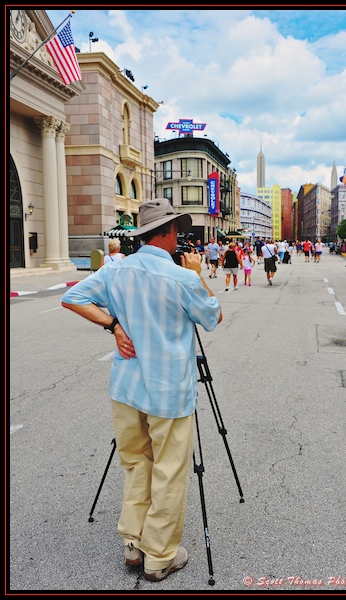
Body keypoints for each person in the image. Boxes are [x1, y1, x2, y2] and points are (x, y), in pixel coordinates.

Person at [61, 199, 222, 583]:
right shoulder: (181, 277)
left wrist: (114, 325)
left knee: (136, 463)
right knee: (169, 469)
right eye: (176, 230)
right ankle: (159, 555)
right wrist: (198, 274)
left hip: (127, 386)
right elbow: (212, 316)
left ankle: (133, 543)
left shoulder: (116, 270)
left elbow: (73, 298)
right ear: (167, 233)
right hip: (169, 391)